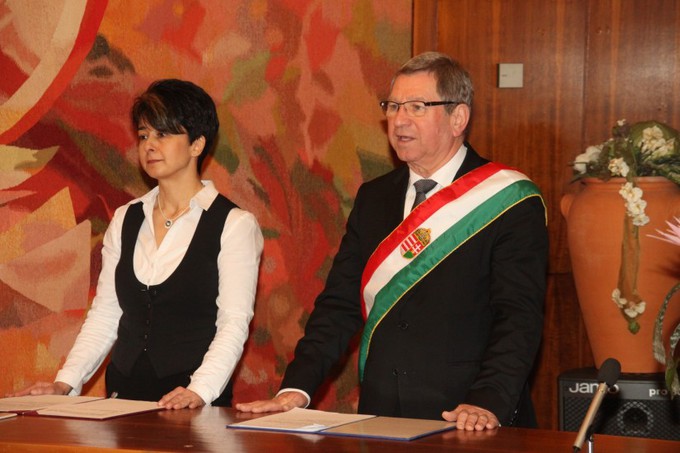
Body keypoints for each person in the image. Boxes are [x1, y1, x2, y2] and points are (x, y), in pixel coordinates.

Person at [236, 52, 548, 431]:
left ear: (458, 118)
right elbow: (339, 304)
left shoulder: (508, 199)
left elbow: (518, 316)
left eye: (417, 107)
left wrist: (488, 400)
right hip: (382, 413)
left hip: (467, 415)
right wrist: (297, 388)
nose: (399, 120)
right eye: (393, 106)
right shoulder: (374, 197)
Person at [9, 79, 263, 410]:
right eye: (144, 135)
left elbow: (233, 322)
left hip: (193, 404)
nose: (149, 146)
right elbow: (106, 313)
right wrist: (65, 382)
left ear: (197, 144)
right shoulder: (125, 218)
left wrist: (200, 390)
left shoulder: (234, 225)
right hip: (122, 398)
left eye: (163, 134)